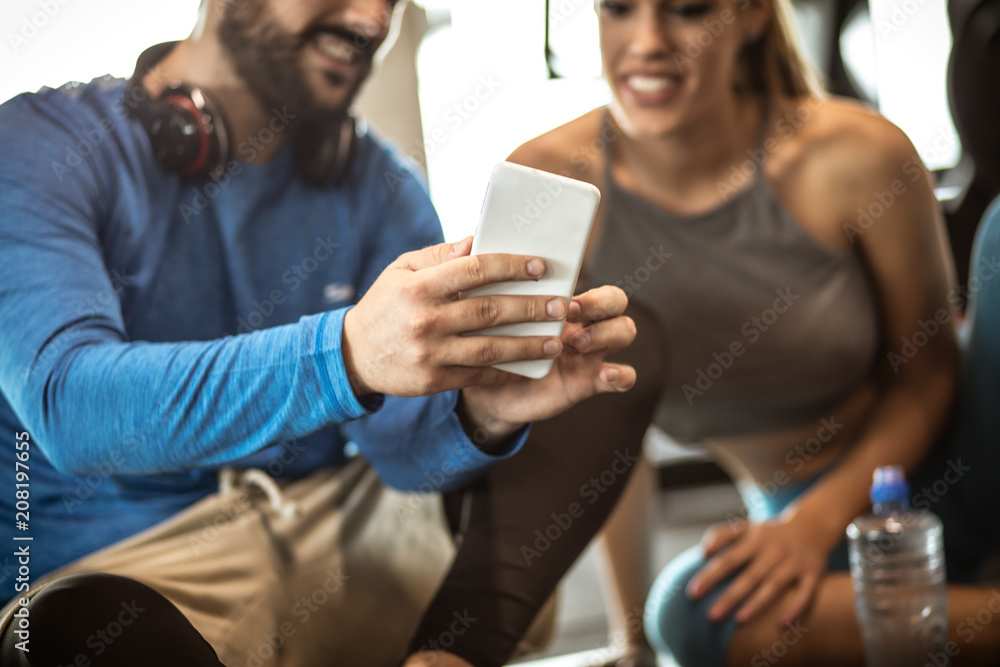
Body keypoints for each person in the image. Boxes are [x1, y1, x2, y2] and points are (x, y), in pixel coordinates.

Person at [0, 1, 646, 666]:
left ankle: (450, 656)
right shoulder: (37, 146)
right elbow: (69, 406)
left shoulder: (379, 185)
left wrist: (480, 417)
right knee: (66, 633)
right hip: (137, 575)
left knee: (599, 353)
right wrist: (345, 355)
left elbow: (400, 451)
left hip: (335, 536)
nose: (371, 17)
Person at [508, 0, 1000, 664]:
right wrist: (631, 646)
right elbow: (604, 448)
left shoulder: (857, 154)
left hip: (969, 456)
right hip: (809, 519)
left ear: (752, 17)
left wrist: (812, 524)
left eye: (687, 11)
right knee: (683, 617)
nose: (648, 41)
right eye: (618, 8)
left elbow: (931, 373)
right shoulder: (548, 186)